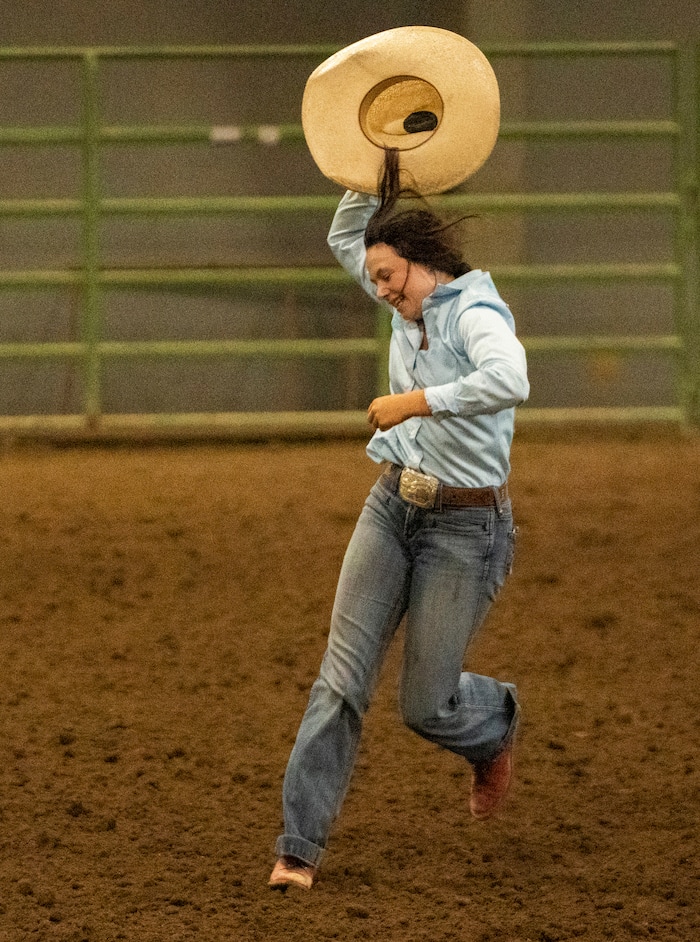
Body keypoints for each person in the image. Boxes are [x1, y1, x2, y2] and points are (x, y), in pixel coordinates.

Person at [269, 150, 529, 892]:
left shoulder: (476, 311)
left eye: (389, 277)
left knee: (427, 704)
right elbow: (345, 232)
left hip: (466, 529)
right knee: (339, 683)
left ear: (422, 264)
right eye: (375, 277)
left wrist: (415, 402)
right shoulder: (401, 290)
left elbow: (512, 377)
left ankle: (496, 718)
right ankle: (298, 848)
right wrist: (368, 154)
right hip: (393, 506)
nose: (380, 290)